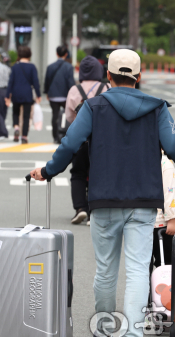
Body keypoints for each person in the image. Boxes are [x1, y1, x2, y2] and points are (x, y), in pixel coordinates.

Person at [29, 49, 175, 337]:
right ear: (139, 77)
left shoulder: (94, 106)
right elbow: (174, 147)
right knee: (137, 270)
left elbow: (70, 144)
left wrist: (47, 172)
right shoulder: (157, 108)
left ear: (108, 76)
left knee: (105, 270)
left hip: (103, 200)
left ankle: (104, 332)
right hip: (144, 203)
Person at [65, 56, 110, 225]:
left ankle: (80, 208)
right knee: (98, 174)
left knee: (77, 173)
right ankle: (94, 211)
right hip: (102, 140)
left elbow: (69, 116)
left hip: (80, 139)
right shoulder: (107, 87)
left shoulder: (74, 90)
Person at [6, 46, 41, 144]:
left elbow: (10, 82)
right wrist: (38, 95)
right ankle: (24, 136)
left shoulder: (15, 67)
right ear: (29, 55)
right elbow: (35, 82)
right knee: (26, 116)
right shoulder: (32, 67)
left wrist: (7, 95)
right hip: (27, 94)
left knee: (15, 112)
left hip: (16, 93)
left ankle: (16, 127)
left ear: (19, 55)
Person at [44, 46, 76, 144]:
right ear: (66, 54)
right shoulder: (69, 67)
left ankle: (55, 137)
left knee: (55, 116)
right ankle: (66, 134)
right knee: (68, 115)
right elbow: (70, 82)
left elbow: (47, 81)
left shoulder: (50, 67)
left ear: (56, 54)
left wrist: (47, 92)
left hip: (53, 95)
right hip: (65, 95)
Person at [153, 152, 175, 267]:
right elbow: (169, 193)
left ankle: (144, 285)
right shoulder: (165, 164)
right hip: (160, 224)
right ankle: (165, 285)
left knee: (140, 266)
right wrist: (171, 219)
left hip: (138, 222)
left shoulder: (137, 160)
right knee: (165, 264)